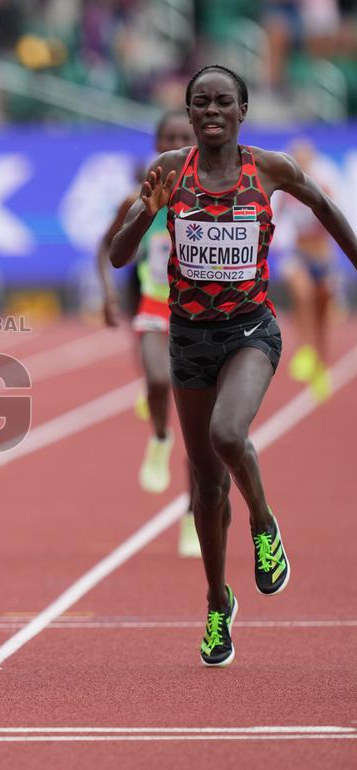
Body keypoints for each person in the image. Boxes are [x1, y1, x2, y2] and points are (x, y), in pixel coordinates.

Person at [108, 65, 357, 668]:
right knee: (206, 483)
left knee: (227, 434)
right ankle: (219, 602)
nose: (211, 110)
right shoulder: (169, 169)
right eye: (200, 102)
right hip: (189, 337)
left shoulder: (268, 168)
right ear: (189, 113)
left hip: (249, 330)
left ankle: (265, 526)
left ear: (242, 110)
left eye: (223, 101)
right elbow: (120, 254)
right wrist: (149, 211)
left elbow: (324, 207)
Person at [97, 110, 201, 559]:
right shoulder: (138, 198)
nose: (176, 143)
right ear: (158, 143)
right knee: (158, 380)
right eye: (168, 137)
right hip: (157, 305)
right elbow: (106, 247)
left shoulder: (213, 193)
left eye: (184, 136)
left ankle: (194, 517)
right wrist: (108, 295)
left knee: (204, 433)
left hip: (204, 315)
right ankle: (160, 436)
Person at [279, 138, 338, 401]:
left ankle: (321, 366)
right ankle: (303, 349)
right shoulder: (287, 193)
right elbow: (274, 219)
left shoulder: (321, 187)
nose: (300, 163)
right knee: (301, 293)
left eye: (304, 159)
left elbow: (335, 221)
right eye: (296, 159)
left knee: (322, 312)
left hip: (322, 258)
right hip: (298, 255)